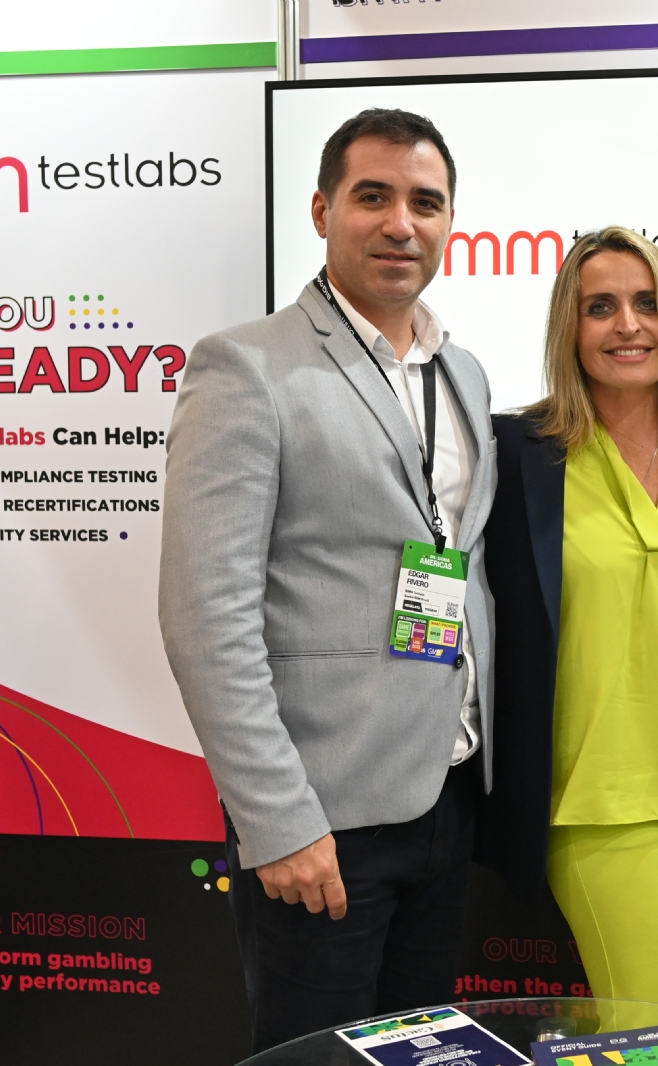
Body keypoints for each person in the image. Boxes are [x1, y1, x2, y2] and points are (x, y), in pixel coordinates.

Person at [158, 109, 496, 1054]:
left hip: (447, 795)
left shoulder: (462, 372)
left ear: (450, 220)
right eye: (372, 197)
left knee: (421, 1049)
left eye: (425, 202)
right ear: (321, 211)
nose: (401, 224)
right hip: (321, 822)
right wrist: (277, 822)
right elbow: (204, 618)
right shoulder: (246, 367)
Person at [479, 226, 658, 1029]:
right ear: (569, 328)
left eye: (647, 303)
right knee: (655, 1035)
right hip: (597, 797)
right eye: (600, 307)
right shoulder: (518, 456)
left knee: (629, 1029)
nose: (627, 325)